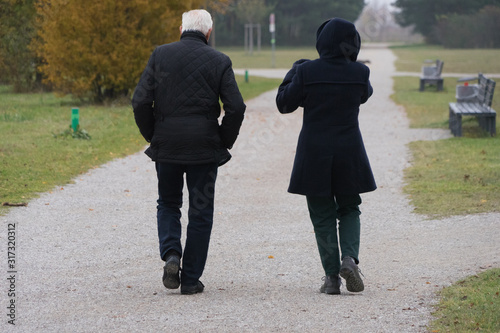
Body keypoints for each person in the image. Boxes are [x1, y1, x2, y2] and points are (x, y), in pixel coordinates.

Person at [132, 9, 246, 295]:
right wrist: (222, 141)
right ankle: (191, 279)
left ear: (181, 28)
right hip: (204, 149)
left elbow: (140, 101)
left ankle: (172, 255)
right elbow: (236, 107)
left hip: (167, 145)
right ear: (208, 32)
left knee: (168, 203)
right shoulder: (220, 61)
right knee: (200, 211)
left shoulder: (161, 54)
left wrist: (154, 135)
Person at [275, 18, 376, 295]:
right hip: (349, 151)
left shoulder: (307, 72)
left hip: (315, 152)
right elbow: (365, 95)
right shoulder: (360, 73)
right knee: (349, 208)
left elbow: (284, 103)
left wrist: (296, 70)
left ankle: (332, 278)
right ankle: (349, 259)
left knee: (322, 216)